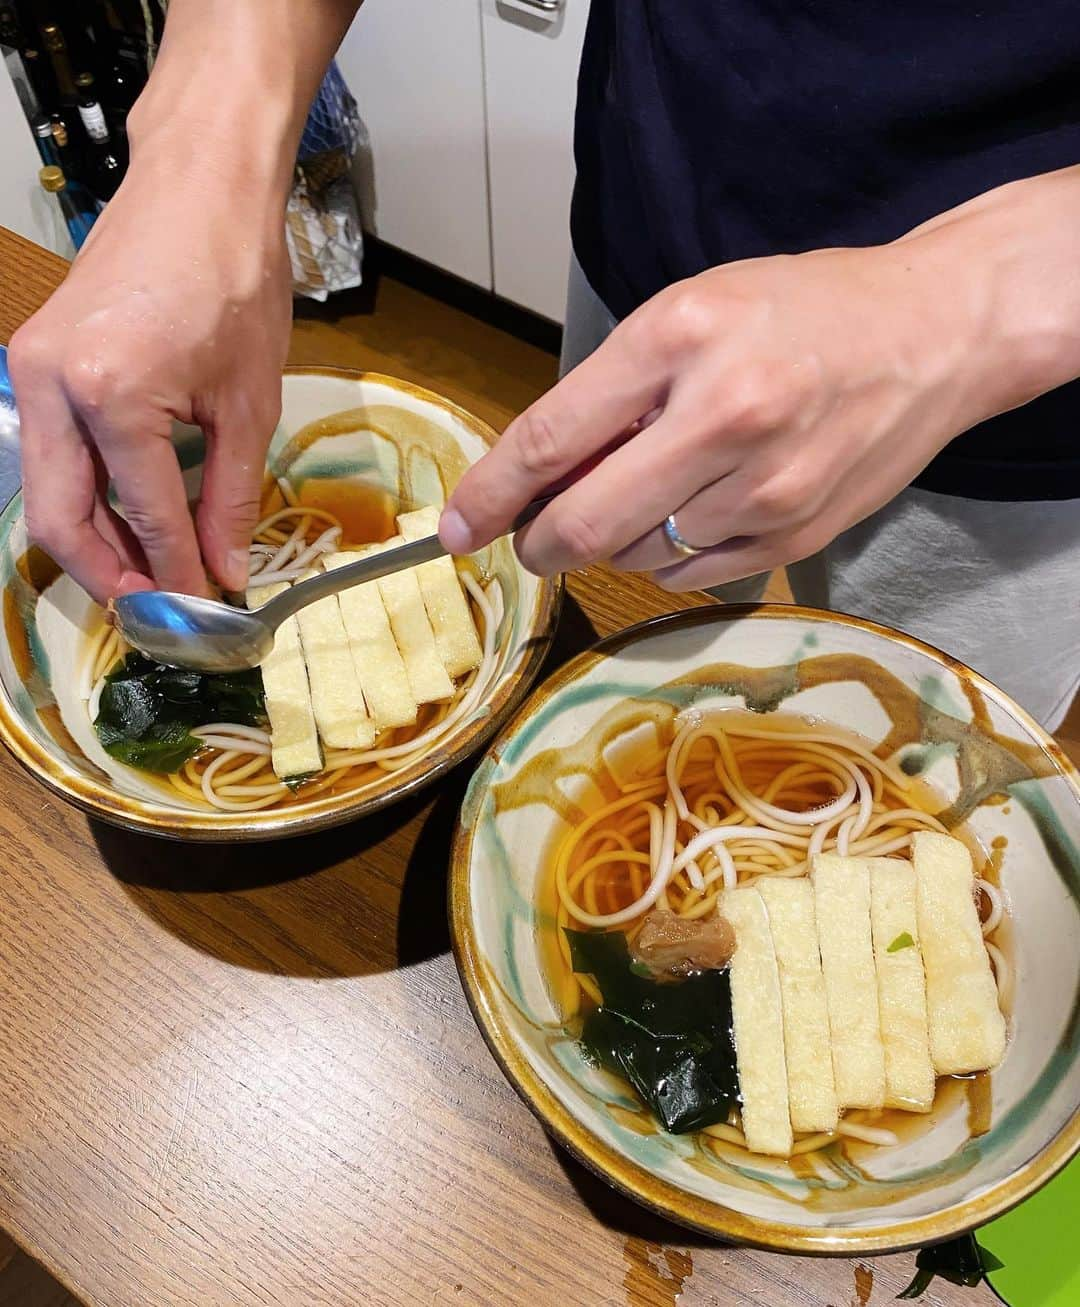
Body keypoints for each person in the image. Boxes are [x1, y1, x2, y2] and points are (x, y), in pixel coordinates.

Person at [8, 1, 1078, 728]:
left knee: (916, 784)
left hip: (1026, 391)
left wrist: (966, 302)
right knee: (617, 682)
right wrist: (206, 132)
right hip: (657, 223)